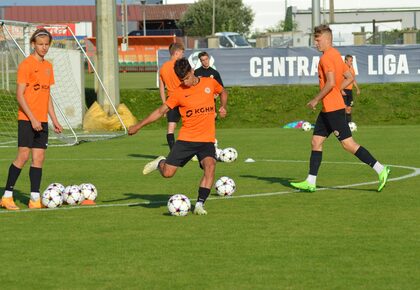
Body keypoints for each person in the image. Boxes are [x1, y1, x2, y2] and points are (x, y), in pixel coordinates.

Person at [290, 25, 390, 193]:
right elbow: (349, 77)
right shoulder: (336, 54)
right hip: (328, 109)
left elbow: (329, 83)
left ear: (327, 39)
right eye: (315, 39)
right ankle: (310, 181)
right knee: (316, 141)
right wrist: (338, 88)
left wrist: (316, 99)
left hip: (334, 109)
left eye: (318, 39)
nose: (315, 43)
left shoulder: (326, 58)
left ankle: (381, 169)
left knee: (348, 145)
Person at [129, 58, 228, 215]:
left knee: (210, 166)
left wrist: (223, 106)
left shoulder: (209, 83)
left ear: (192, 71)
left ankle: (200, 204)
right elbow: (160, 111)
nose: (185, 82)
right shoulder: (178, 93)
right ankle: (160, 162)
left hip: (206, 139)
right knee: (168, 173)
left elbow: (223, 91)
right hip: (187, 140)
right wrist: (138, 126)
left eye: (187, 78)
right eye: (182, 80)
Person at [1, 28, 63, 210]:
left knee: (39, 157)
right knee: (23, 156)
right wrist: (33, 118)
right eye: (40, 44)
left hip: (42, 120)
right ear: (33, 45)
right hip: (27, 119)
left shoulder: (48, 67)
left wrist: (54, 119)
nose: (44, 48)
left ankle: (34, 199)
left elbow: (47, 95)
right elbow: (20, 95)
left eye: (46, 44)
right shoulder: (26, 65)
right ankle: (7, 196)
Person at [159, 42, 185, 150]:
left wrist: (164, 104)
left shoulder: (163, 68)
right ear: (176, 53)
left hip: (170, 100)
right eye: (182, 53)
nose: (182, 55)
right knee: (191, 125)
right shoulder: (180, 66)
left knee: (171, 127)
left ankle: (172, 152)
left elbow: (161, 88)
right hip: (183, 97)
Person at [342, 54, 360, 123]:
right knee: (343, 108)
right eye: (350, 61)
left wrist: (357, 88)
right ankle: (342, 124)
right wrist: (341, 90)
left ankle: (349, 124)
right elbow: (340, 80)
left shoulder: (352, 69)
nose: (351, 62)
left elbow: (353, 80)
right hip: (344, 90)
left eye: (352, 61)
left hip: (350, 91)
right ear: (345, 61)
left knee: (349, 109)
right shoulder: (343, 68)